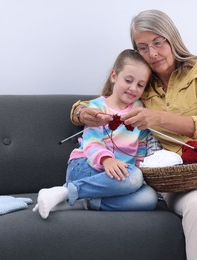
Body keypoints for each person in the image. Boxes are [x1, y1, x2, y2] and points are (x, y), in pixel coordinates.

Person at [70, 10, 197, 260]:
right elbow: (107, 99)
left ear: (172, 39)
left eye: (158, 42)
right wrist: (80, 113)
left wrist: (157, 118)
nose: (153, 53)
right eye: (143, 47)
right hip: (185, 179)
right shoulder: (143, 85)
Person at [33, 49, 158, 219]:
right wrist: (107, 160)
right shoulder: (96, 108)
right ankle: (67, 190)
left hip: (116, 178)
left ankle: (80, 201)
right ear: (114, 76)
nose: (133, 88)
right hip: (86, 167)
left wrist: (137, 173)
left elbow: (141, 147)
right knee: (134, 177)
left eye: (140, 85)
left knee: (149, 197)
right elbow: (92, 143)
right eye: (128, 80)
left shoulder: (139, 111)